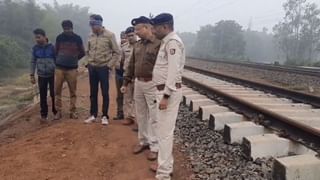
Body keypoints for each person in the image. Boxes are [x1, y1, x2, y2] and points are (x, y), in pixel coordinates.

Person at [150, 13, 185, 180]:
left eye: (155, 28)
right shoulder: (166, 41)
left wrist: (165, 96)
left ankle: (163, 174)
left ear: (165, 27)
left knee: (164, 134)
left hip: (168, 93)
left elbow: (173, 71)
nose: (153, 31)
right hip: (164, 91)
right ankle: (166, 167)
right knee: (163, 131)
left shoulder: (172, 42)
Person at [121, 16, 160, 161]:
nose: (136, 32)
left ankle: (154, 146)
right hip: (138, 83)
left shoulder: (158, 44)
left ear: (148, 27)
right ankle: (143, 141)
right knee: (141, 114)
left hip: (152, 84)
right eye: (135, 29)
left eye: (138, 29)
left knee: (154, 116)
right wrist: (125, 83)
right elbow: (131, 65)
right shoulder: (137, 45)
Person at [84, 14, 120, 125]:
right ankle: (93, 115)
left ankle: (105, 115)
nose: (91, 26)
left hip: (104, 68)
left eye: (93, 24)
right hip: (92, 68)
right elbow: (87, 51)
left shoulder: (109, 35)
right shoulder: (90, 36)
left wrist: (109, 65)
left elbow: (116, 52)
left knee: (105, 92)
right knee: (93, 92)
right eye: (90, 24)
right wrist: (87, 63)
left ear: (99, 24)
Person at [54, 20, 85, 120]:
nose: (66, 30)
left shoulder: (77, 38)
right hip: (59, 68)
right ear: (62, 28)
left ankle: (73, 111)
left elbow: (82, 52)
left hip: (72, 68)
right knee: (57, 91)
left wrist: (74, 59)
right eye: (65, 28)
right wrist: (58, 59)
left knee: (73, 91)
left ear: (72, 28)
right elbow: (56, 51)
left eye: (68, 28)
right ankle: (58, 112)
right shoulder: (59, 37)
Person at [30, 28, 57, 123]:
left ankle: (55, 111)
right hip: (41, 75)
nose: (37, 39)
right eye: (35, 38)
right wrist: (32, 74)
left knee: (54, 94)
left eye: (38, 37)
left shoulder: (52, 47)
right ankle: (44, 115)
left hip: (52, 74)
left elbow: (56, 59)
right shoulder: (35, 48)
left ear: (44, 37)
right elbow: (33, 61)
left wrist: (58, 71)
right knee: (43, 95)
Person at [121, 27, 138, 126]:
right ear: (126, 37)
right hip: (127, 76)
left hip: (137, 76)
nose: (131, 37)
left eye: (132, 35)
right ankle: (128, 117)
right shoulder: (124, 48)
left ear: (136, 35)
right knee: (127, 98)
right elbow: (122, 61)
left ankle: (137, 119)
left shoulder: (141, 46)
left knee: (137, 98)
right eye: (129, 36)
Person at [113, 31, 127, 120]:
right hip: (118, 72)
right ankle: (120, 113)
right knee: (119, 95)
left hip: (128, 74)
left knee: (129, 95)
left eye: (125, 37)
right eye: (122, 37)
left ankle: (130, 115)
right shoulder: (116, 47)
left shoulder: (132, 47)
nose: (123, 39)